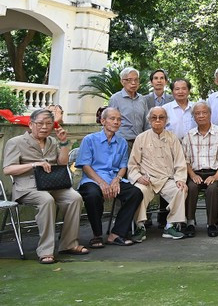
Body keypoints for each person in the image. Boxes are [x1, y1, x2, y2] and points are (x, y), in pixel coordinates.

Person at [3, 109, 88, 263]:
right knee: (46, 200)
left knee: (75, 197)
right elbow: (8, 169)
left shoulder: (52, 141)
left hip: (52, 184)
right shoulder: (16, 142)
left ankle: (69, 244)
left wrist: (63, 143)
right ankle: (46, 251)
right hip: (27, 187)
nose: (44, 127)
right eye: (40, 123)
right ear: (31, 124)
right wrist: (34, 164)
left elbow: (62, 163)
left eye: (48, 123)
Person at [77, 107, 143, 248]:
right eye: (112, 119)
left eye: (119, 119)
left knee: (135, 193)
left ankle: (116, 234)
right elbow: (85, 166)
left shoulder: (122, 142)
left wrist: (117, 179)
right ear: (103, 121)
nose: (116, 122)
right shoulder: (89, 140)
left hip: (113, 179)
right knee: (93, 194)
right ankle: (97, 235)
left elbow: (123, 166)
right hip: (92, 180)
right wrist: (101, 183)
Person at [127, 107, 188, 241]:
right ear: (149, 120)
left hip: (167, 179)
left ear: (166, 120)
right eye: (154, 117)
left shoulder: (173, 138)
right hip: (147, 179)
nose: (158, 120)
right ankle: (140, 227)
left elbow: (180, 162)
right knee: (138, 191)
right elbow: (132, 164)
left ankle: (170, 226)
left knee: (181, 190)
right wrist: (138, 177)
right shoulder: (141, 138)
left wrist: (180, 179)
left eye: (161, 117)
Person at [182, 102, 218, 238]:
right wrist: (192, 175)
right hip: (195, 173)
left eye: (204, 113)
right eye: (197, 113)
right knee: (190, 188)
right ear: (194, 117)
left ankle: (211, 224)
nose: (201, 116)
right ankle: (190, 222)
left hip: (214, 172)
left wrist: (216, 176)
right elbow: (185, 160)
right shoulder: (189, 135)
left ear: (210, 114)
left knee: (213, 189)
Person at [108, 67, 148, 147]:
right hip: (122, 142)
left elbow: (146, 121)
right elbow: (110, 122)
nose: (133, 83)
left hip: (140, 142)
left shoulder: (142, 99)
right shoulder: (115, 99)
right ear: (122, 82)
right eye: (129, 80)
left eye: (136, 80)